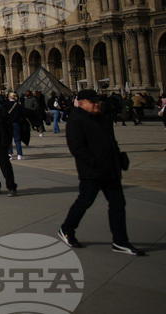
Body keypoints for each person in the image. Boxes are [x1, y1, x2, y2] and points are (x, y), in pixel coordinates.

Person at [57, 90, 144, 256]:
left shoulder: (101, 119)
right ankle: (67, 228)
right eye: (93, 102)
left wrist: (118, 157)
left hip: (111, 169)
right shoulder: (76, 121)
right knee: (85, 201)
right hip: (93, 171)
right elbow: (77, 148)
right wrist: (94, 162)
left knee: (118, 204)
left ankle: (120, 241)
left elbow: (111, 141)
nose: (97, 104)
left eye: (98, 101)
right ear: (81, 103)